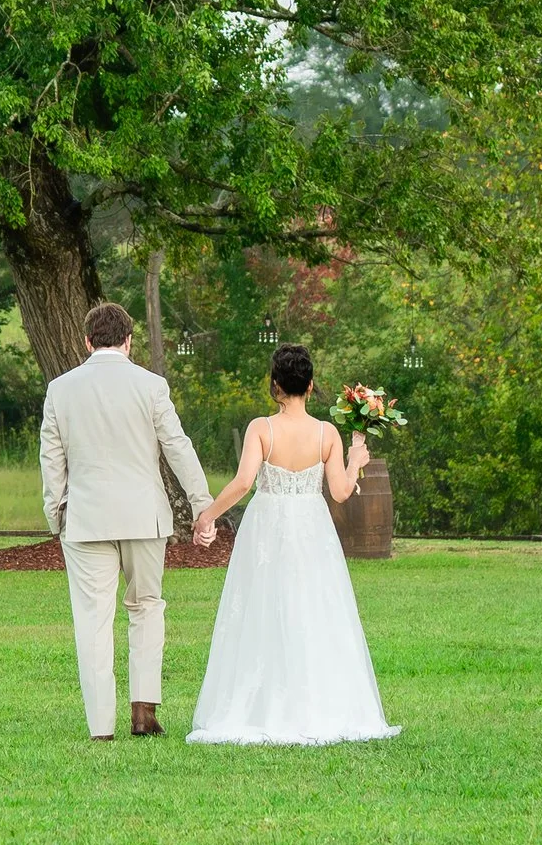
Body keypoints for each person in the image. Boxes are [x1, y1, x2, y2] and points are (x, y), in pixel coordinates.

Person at [188, 344, 401, 746]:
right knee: (313, 606)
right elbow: (339, 491)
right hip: (311, 529)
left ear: (275, 386)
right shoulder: (326, 433)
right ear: (311, 385)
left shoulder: (261, 429)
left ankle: (259, 704)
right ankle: (318, 703)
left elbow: (243, 483)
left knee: (262, 608)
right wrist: (356, 460)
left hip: (267, 527)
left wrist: (209, 514)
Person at [38, 298, 212, 740]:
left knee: (93, 619)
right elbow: (178, 446)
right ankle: (143, 712)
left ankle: (101, 726)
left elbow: (51, 459)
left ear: (87, 340)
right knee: (146, 608)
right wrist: (201, 503)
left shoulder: (61, 389)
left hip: (86, 517)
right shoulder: (151, 385)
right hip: (143, 517)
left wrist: (55, 512)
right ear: (129, 341)